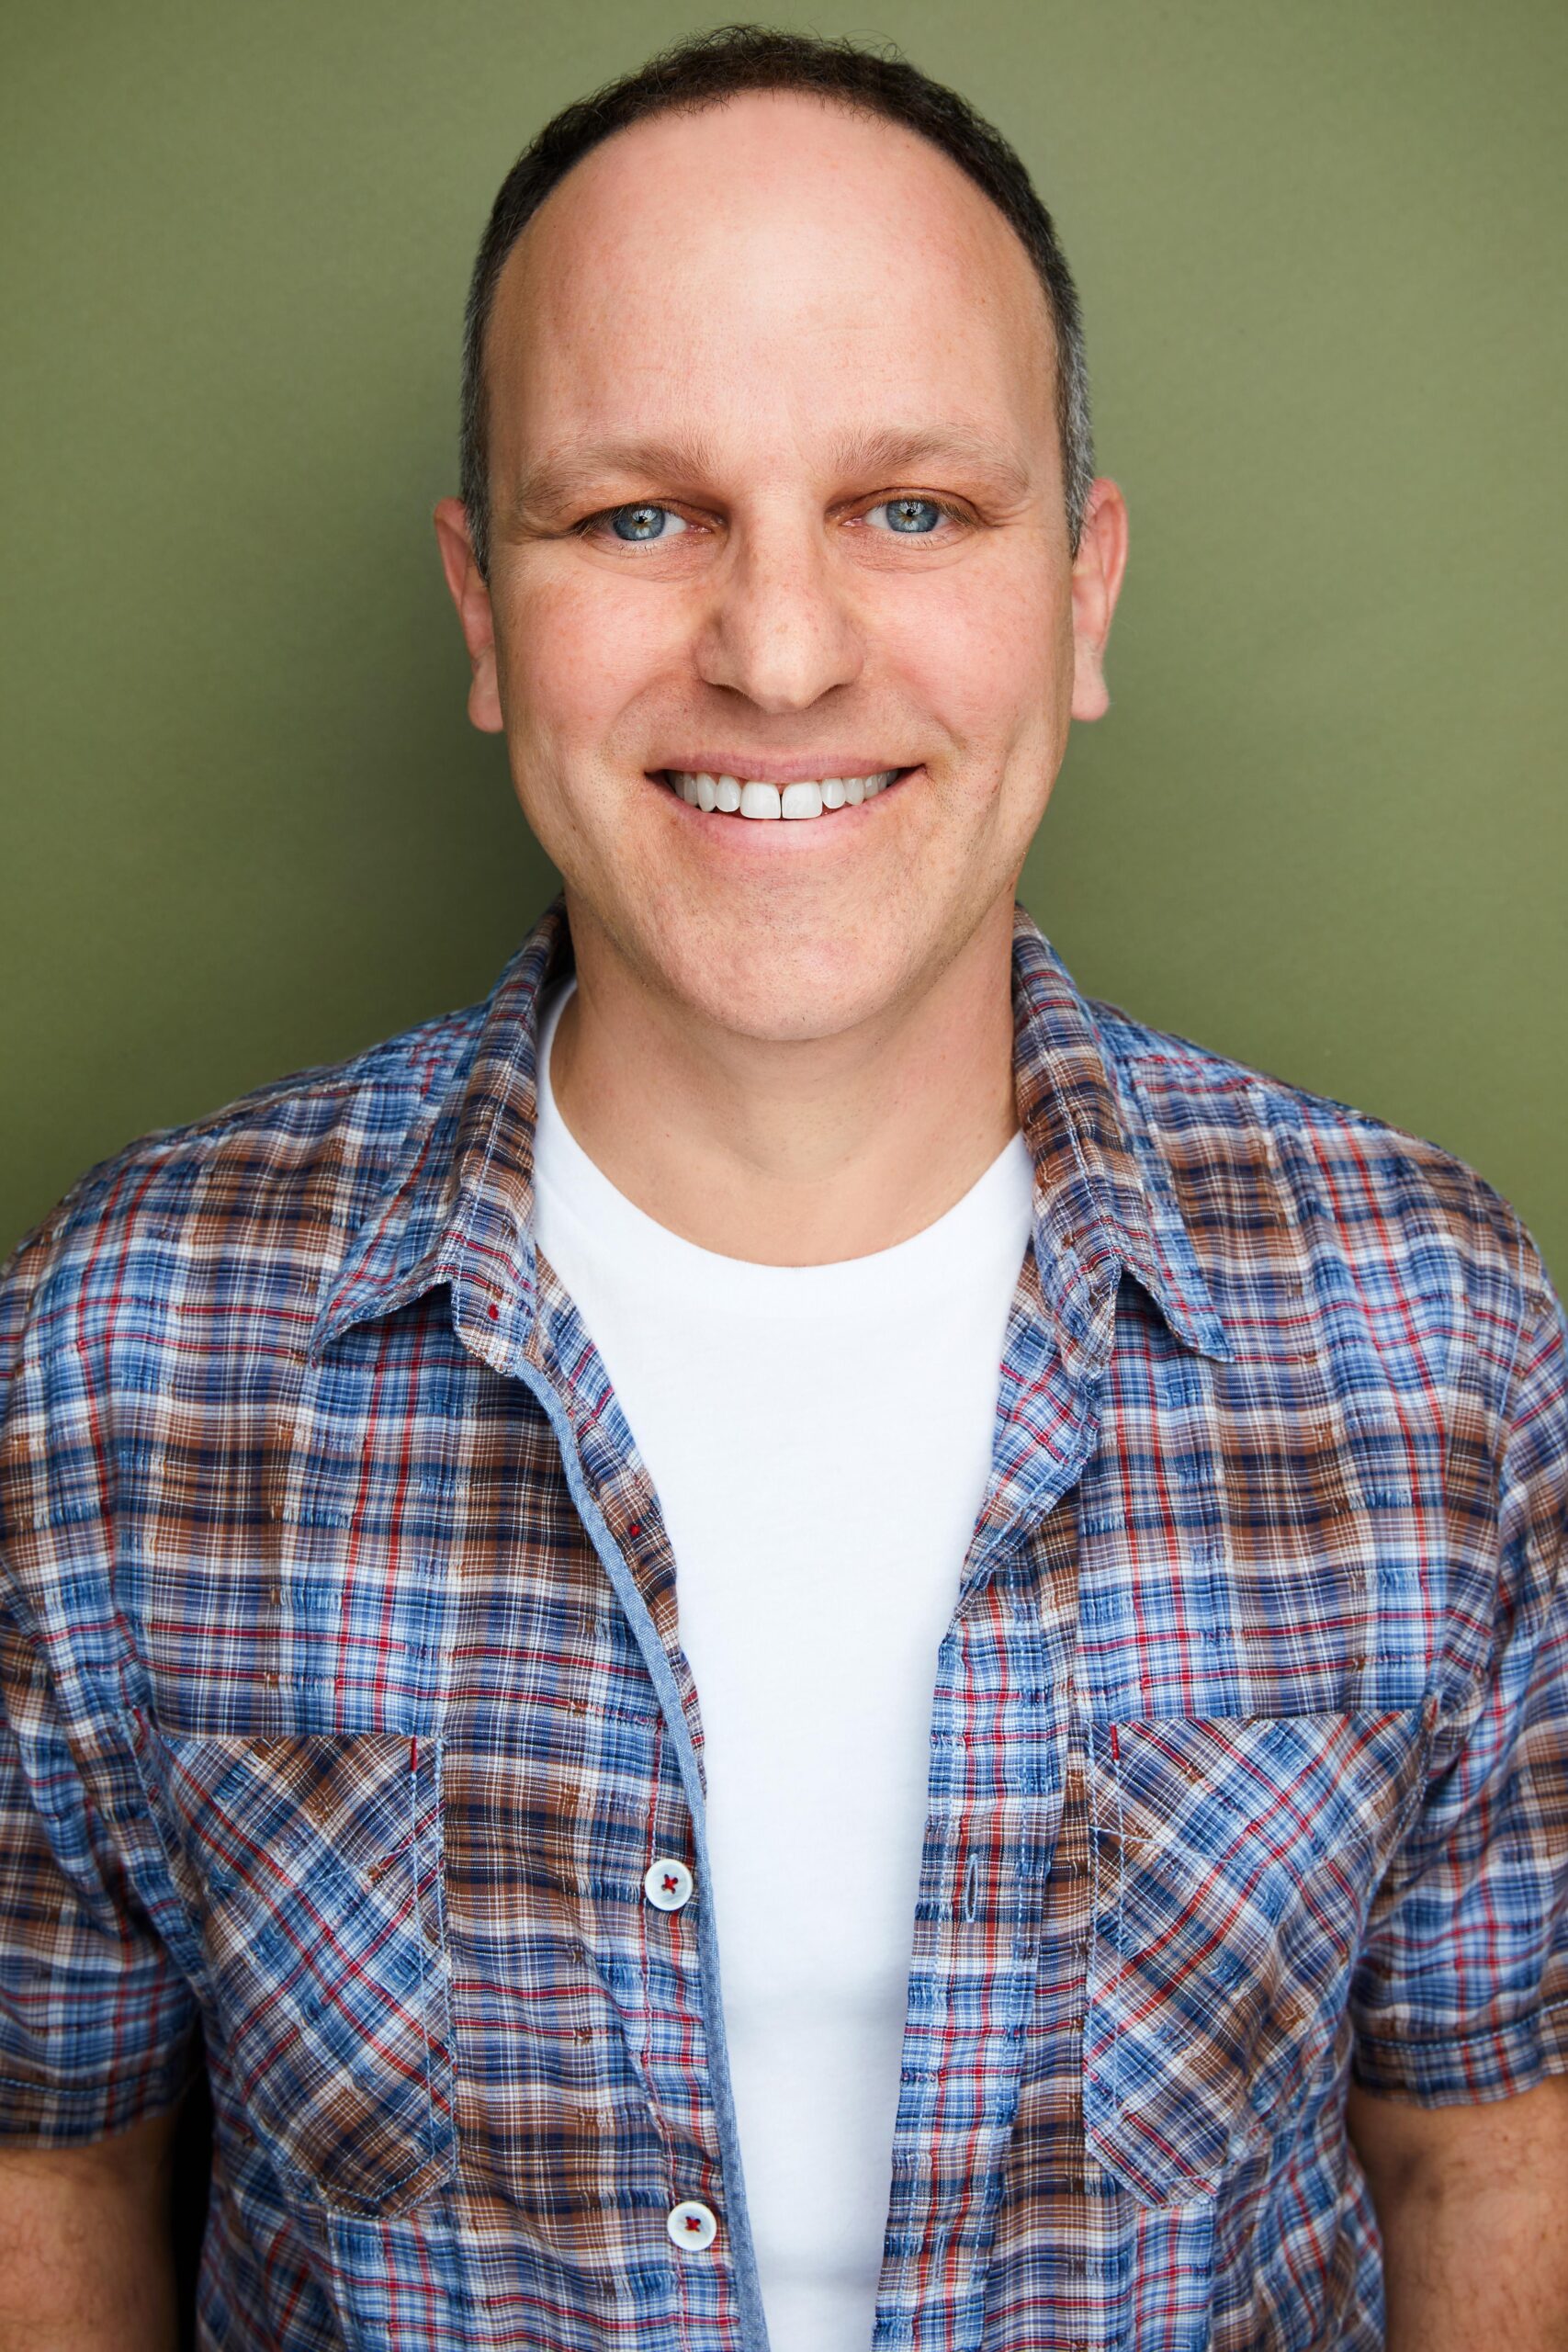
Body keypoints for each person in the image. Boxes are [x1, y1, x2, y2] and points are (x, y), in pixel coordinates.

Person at [1, 20, 1564, 2351]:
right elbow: (51, 2171)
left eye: (908, 508)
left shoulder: (1434, 1341)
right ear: (480, 608)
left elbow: (1485, 2152)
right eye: (637, 515)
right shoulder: (118, 1356)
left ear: (1082, 591)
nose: (780, 649)